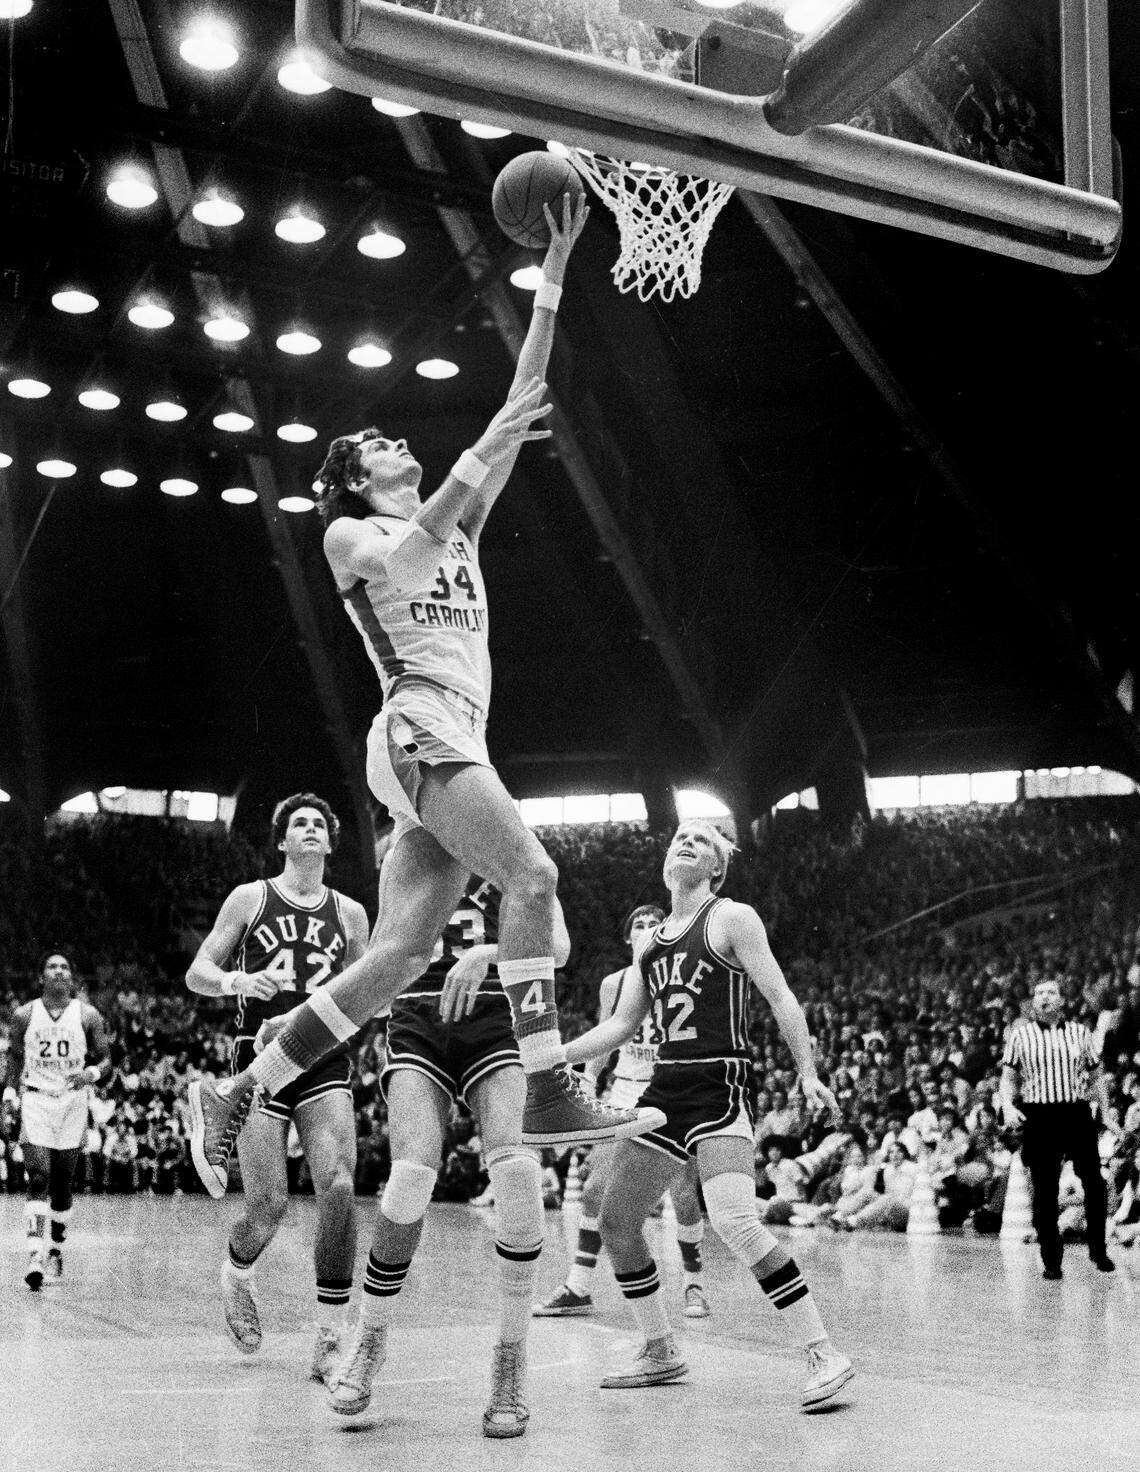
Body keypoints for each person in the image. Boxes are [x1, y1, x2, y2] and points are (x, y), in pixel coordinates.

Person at [188, 192, 663, 1198]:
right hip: (417, 722)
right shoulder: (348, 535)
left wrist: (557, 276)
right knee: (533, 875)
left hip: (448, 734)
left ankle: (242, 1087)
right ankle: (544, 1085)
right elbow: (410, 555)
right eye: (382, 444)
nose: (400, 443)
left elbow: (520, 396)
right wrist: (478, 459)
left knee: (399, 955)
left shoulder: (455, 519)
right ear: (358, 475)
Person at [563, 820, 854, 1411]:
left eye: (703, 840)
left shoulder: (731, 918)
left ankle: (823, 1350)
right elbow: (620, 1027)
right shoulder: (650, 943)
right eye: (680, 837)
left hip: (720, 1081)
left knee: (736, 1221)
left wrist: (808, 1071)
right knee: (616, 1218)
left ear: (718, 867)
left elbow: (780, 996)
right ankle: (660, 1348)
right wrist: (553, 1055)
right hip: (666, 1088)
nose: (687, 842)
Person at [329, 870, 570, 1438]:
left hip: (500, 1020)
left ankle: (510, 1359)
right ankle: (370, 1339)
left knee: (516, 1171)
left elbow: (556, 948)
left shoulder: (514, 855)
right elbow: (380, 958)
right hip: (418, 1021)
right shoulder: (410, 857)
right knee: (410, 1174)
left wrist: (490, 950)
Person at [186, 793, 370, 1382]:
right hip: (258, 1062)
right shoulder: (251, 897)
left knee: (339, 1185)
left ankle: (330, 1335)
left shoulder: (351, 913)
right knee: (267, 1208)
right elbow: (198, 972)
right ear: (284, 841)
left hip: (323, 1060)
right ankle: (237, 1273)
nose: (311, 830)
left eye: (320, 823)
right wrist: (239, 978)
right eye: (299, 824)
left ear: (330, 842)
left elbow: (368, 996)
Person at [535, 905, 710, 1321]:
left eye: (655, 924)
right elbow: (604, 1038)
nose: (647, 930)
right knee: (596, 1188)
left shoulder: (677, 973)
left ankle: (693, 1282)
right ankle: (578, 1286)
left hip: (668, 1087)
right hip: (625, 1089)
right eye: (639, 925)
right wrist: (588, 1082)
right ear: (628, 937)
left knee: (684, 1194)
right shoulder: (614, 984)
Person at [1000, 978, 1120, 1279]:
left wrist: (1105, 1114)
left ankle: (1098, 1247)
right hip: (1039, 1114)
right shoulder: (1020, 1034)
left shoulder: (1080, 1032)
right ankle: (1051, 1259)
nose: (1044, 997)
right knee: (1044, 1189)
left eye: (1050, 992)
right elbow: (1008, 1078)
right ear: (1033, 1002)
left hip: (1075, 1111)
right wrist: (1007, 1105)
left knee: (1094, 1181)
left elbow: (1096, 1077)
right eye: (1039, 993)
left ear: (1062, 1000)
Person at [6, 952, 110, 1290]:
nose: (58, 970)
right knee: (38, 1176)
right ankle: (34, 1255)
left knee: (63, 1185)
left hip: (72, 1100)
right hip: (36, 1097)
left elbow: (106, 1058)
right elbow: (15, 1059)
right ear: (41, 978)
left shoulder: (88, 1014)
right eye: (52, 966)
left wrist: (92, 1072)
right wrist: (8, 1096)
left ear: (72, 978)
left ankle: (56, 1247)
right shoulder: (24, 1014)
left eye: (64, 966)